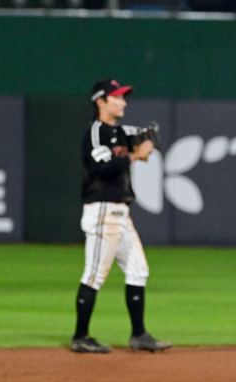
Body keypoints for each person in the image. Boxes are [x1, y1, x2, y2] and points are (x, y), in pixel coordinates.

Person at [71, 78, 172, 354]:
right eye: (116, 97)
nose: (123, 102)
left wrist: (145, 142)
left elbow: (146, 134)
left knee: (138, 270)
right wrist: (136, 155)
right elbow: (101, 167)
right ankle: (80, 337)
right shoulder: (96, 132)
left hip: (120, 212)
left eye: (123, 97)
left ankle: (139, 336)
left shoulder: (119, 132)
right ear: (101, 102)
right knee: (94, 275)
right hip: (102, 209)